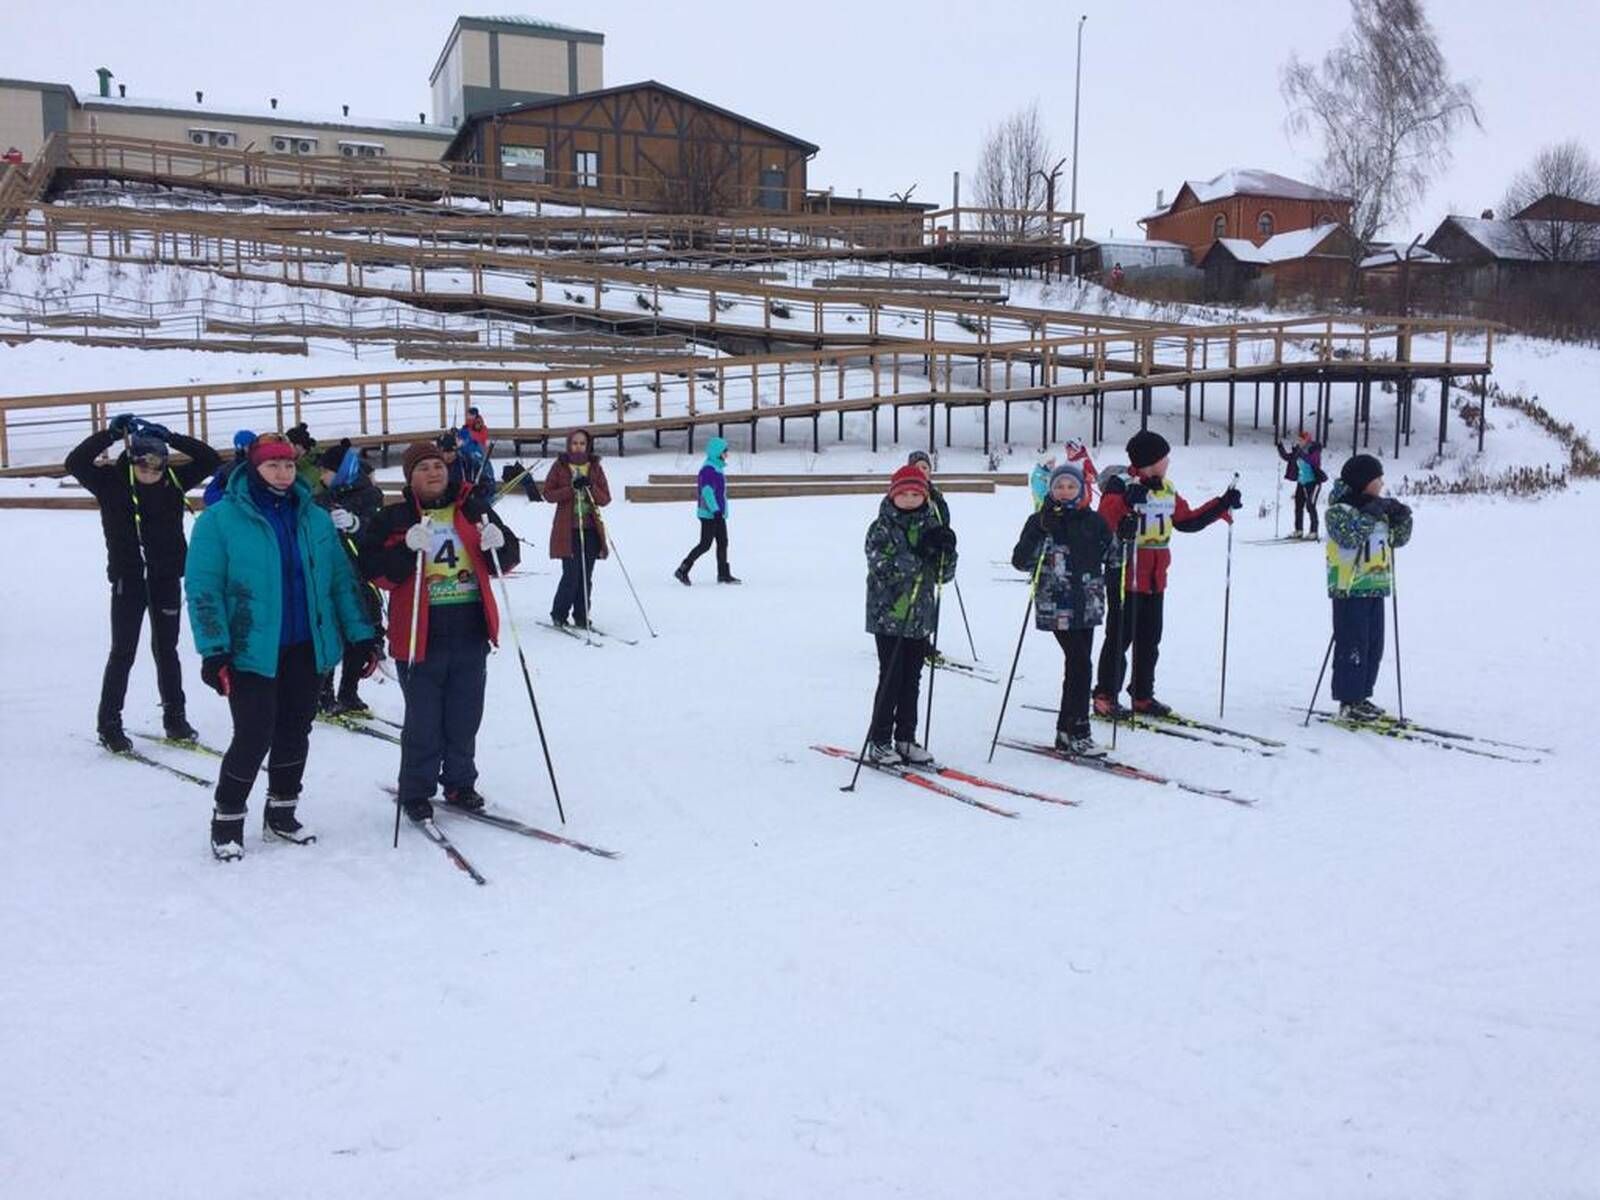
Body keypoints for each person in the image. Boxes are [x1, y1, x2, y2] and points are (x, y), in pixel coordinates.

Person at [186, 433, 379, 861]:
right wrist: (214, 648)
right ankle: (227, 820)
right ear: (253, 469)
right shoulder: (219, 520)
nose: (283, 473)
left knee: (296, 730)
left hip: (305, 644)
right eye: (273, 465)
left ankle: (282, 813)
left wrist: (361, 634)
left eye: (289, 465)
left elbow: (339, 582)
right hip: (251, 647)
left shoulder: (312, 517)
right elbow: (204, 590)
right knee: (253, 734)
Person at [359, 441, 520, 825]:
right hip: (418, 632)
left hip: (469, 628)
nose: (434, 472)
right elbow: (375, 572)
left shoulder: (473, 508)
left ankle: (460, 783)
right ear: (409, 478)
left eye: (437, 465)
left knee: (464, 716)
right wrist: (405, 552)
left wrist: (500, 545)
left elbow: (506, 559)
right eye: (423, 468)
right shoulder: (393, 518)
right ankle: (416, 789)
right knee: (424, 720)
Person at [66, 414, 221, 750]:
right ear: (132, 460)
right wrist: (109, 434)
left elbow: (210, 459)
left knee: (167, 651)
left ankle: (175, 719)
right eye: (144, 466)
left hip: (165, 578)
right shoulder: (110, 483)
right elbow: (74, 462)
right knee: (123, 652)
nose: (150, 473)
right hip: (129, 580)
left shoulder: (174, 481)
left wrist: (174, 437)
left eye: (157, 466)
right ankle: (109, 724)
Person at [1093, 431, 1241, 718]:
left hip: (1155, 577)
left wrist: (1222, 503)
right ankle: (1104, 695)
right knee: (1120, 638)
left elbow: (1188, 521)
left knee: (1150, 638)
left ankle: (1142, 695)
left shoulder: (1166, 489)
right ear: (1151, 461)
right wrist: (1126, 501)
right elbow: (1104, 522)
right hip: (1126, 574)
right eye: (1164, 458)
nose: (1168, 462)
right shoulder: (1121, 485)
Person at [1011, 462, 1117, 756]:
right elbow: (1021, 561)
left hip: (1088, 604)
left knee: (1076, 667)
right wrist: (1039, 533)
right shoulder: (1040, 520)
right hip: (1056, 604)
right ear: (1051, 489)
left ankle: (1065, 731)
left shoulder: (1093, 521)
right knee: (1082, 664)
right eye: (1059, 486)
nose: (1065, 491)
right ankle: (1079, 730)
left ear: (1081, 489)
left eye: (1071, 486)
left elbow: (1114, 556)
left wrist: (1128, 535)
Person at [862, 465, 958, 765]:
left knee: (912, 679)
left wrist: (946, 552)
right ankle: (879, 739)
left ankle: (906, 737)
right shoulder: (881, 527)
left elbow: (944, 575)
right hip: (888, 614)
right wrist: (919, 556)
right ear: (893, 495)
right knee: (891, 677)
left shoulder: (931, 524)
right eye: (903, 493)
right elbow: (881, 566)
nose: (909, 498)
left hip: (921, 616)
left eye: (916, 493)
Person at [1324, 453, 1412, 722]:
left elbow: (1399, 540)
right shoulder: (1339, 510)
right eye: (1377, 479)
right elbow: (1350, 537)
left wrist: (1401, 517)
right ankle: (1348, 701)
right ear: (1363, 481)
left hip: (1375, 584)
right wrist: (1370, 513)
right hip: (1349, 586)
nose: (1382, 484)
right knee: (1353, 644)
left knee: (1374, 645)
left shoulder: (1376, 509)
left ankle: (1363, 696)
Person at [314, 439, 387, 714]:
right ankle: (324, 695)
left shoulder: (370, 496)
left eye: (327, 470)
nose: (322, 476)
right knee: (331, 636)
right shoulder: (321, 499)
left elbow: (378, 532)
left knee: (361, 636)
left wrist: (356, 524)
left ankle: (349, 692)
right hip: (332, 580)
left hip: (363, 578)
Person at [542, 428, 611, 628]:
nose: (578, 447)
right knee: (571, 574)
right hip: (568, 529)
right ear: (568, 444)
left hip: (590, 528)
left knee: (586, 575)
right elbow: (548, 494)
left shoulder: (595, 466)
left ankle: (581, 615)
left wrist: (590, 486)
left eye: (582, 443)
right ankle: (559, 613)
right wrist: (570, 489)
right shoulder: (561, 466)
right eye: (575, 443)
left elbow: (605, 498)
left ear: (587, 445)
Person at [674, 435, 739, 584]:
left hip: (717, 514)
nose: (727, 454)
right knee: (705, 544)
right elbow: (707, 492)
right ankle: (683, 569)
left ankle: (723, 574)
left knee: (723, 542)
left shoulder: (716, 467)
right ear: (717, 452)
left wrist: (719, 512)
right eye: (725, 451)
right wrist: (715, 511)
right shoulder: (708, 469)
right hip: (709, 514)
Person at [1277, 431, 1327, 539]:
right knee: (1298, 506)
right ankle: (1298, 530)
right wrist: (1280, 447)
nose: (1299, 442)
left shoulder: (1314, 449)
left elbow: (1312, 461)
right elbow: (1287, 457)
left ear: (1307, 440)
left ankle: (1314, 531)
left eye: (1301, 440)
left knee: (1310, 506)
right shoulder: (1299, 451)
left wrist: (1300, 453)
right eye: (1298, 440)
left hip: (1313, 483)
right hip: (1301, 482)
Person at [203, 429, 256, 507]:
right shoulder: (228, 469)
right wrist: (232, 494)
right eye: (249, 446)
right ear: (240, 448)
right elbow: (209, 496)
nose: (254, 449)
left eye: (256, 445)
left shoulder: (265, 463)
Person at [906, 449, 950, 525]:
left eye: (924, 467)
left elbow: (944, 520)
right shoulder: (901, 493)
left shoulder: (935, 495)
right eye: (916, 468)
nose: (921, 471)